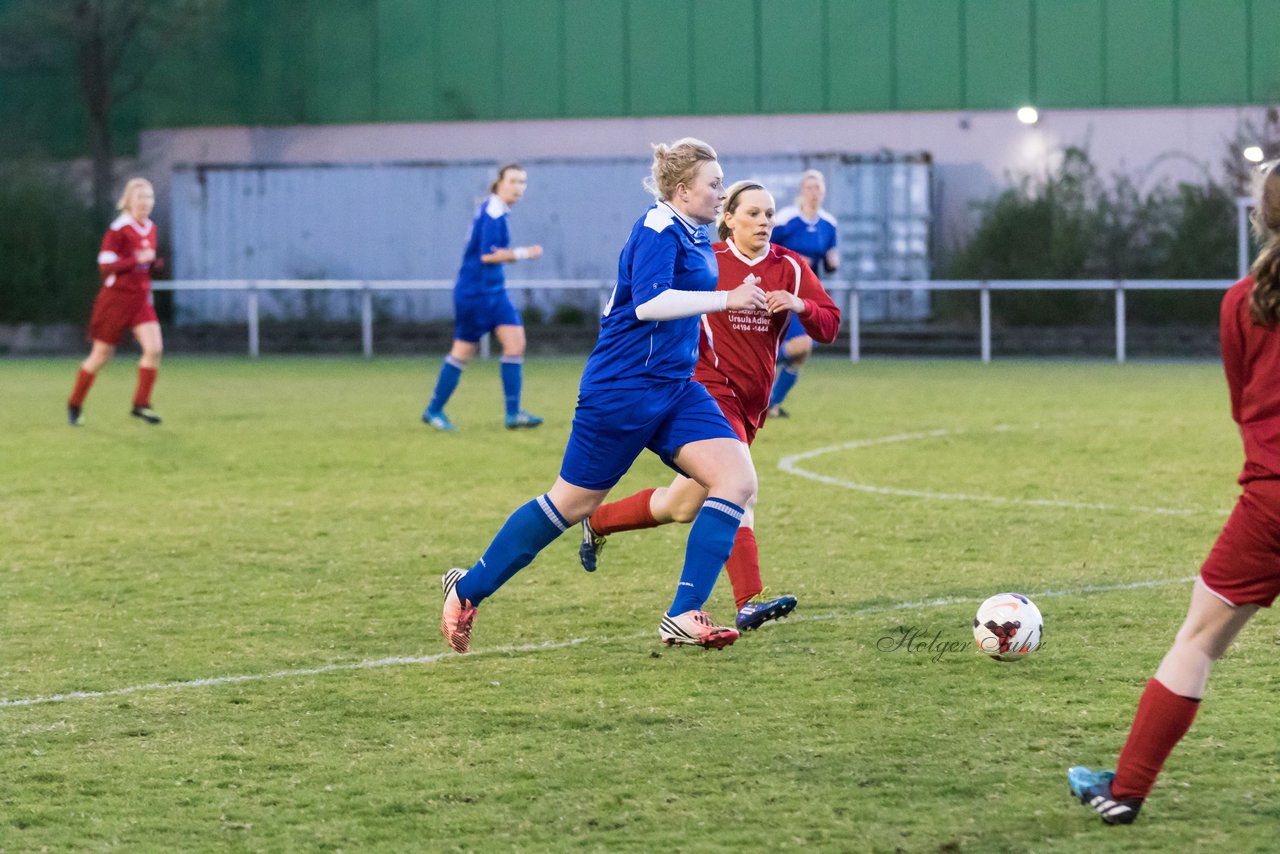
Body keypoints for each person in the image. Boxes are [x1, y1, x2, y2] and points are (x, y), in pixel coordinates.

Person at [440, 138, 770, 654]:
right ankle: (468, 588)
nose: (721, 192)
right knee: (572, 503)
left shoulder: (693, 230)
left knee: (736, 479)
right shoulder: (658, 227)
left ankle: (683, 613)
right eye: (714, 183)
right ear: (683, 191)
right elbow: (651, 304)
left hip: (675, 388)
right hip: (622, 388)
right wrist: (726, 298)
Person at [1067, 161, 1280, 825]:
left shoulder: (1240, 302)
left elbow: (1244, 407)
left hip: (1270, 503)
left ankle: (1126, 790)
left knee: (1196, 642)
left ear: (1261, 218)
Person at [577, 181, 841, 633]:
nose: (763, 222)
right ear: (729, 219)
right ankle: (748, 600)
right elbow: (654, 300)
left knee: (680, 506)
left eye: (769, 214)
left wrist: (800, 305)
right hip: (707, 392)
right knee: (742, 488)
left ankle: (597, 520)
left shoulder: (791, 268)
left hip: (753, 403)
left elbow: (830, 324)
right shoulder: (706, 261)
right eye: (753, 213)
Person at [423, 163, 545, 431]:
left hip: (495, 292)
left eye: (522, 182)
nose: (518, 187)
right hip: (475, 293)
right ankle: (433, 410)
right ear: (499, 183)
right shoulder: (492, 212)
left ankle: (513, 414)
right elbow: (488, 255)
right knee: (463, 352)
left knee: (515, 344)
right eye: (513, 181)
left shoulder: (499, 211)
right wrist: (525, 253)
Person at [67, 177, 165, 426]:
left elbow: (144, 263)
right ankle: (75, 403)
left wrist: (153, 264)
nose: (145, 202)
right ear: (129, 200)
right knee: (101, 356)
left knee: (154, 349)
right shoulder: (119, 229)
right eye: (140, 197)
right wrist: (135, 260)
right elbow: (105, 265)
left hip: (141, 299)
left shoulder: (151, 228)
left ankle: (140, 404)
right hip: (116, 300)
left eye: (149, 197)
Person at [767, 169, 839, 419]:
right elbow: (765, 248)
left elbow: (831, 258)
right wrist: (794, 259)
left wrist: (832, 262)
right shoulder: (787, 219)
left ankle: (771, 405)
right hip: (782, 291)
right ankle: (760, 367)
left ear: (824, 191)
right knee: (801, 345)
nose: (813, 192)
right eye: (809, 187)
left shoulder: (829, 224)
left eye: (818, 187)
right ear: (802, 191)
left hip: (808, 295)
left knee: (801, 353)